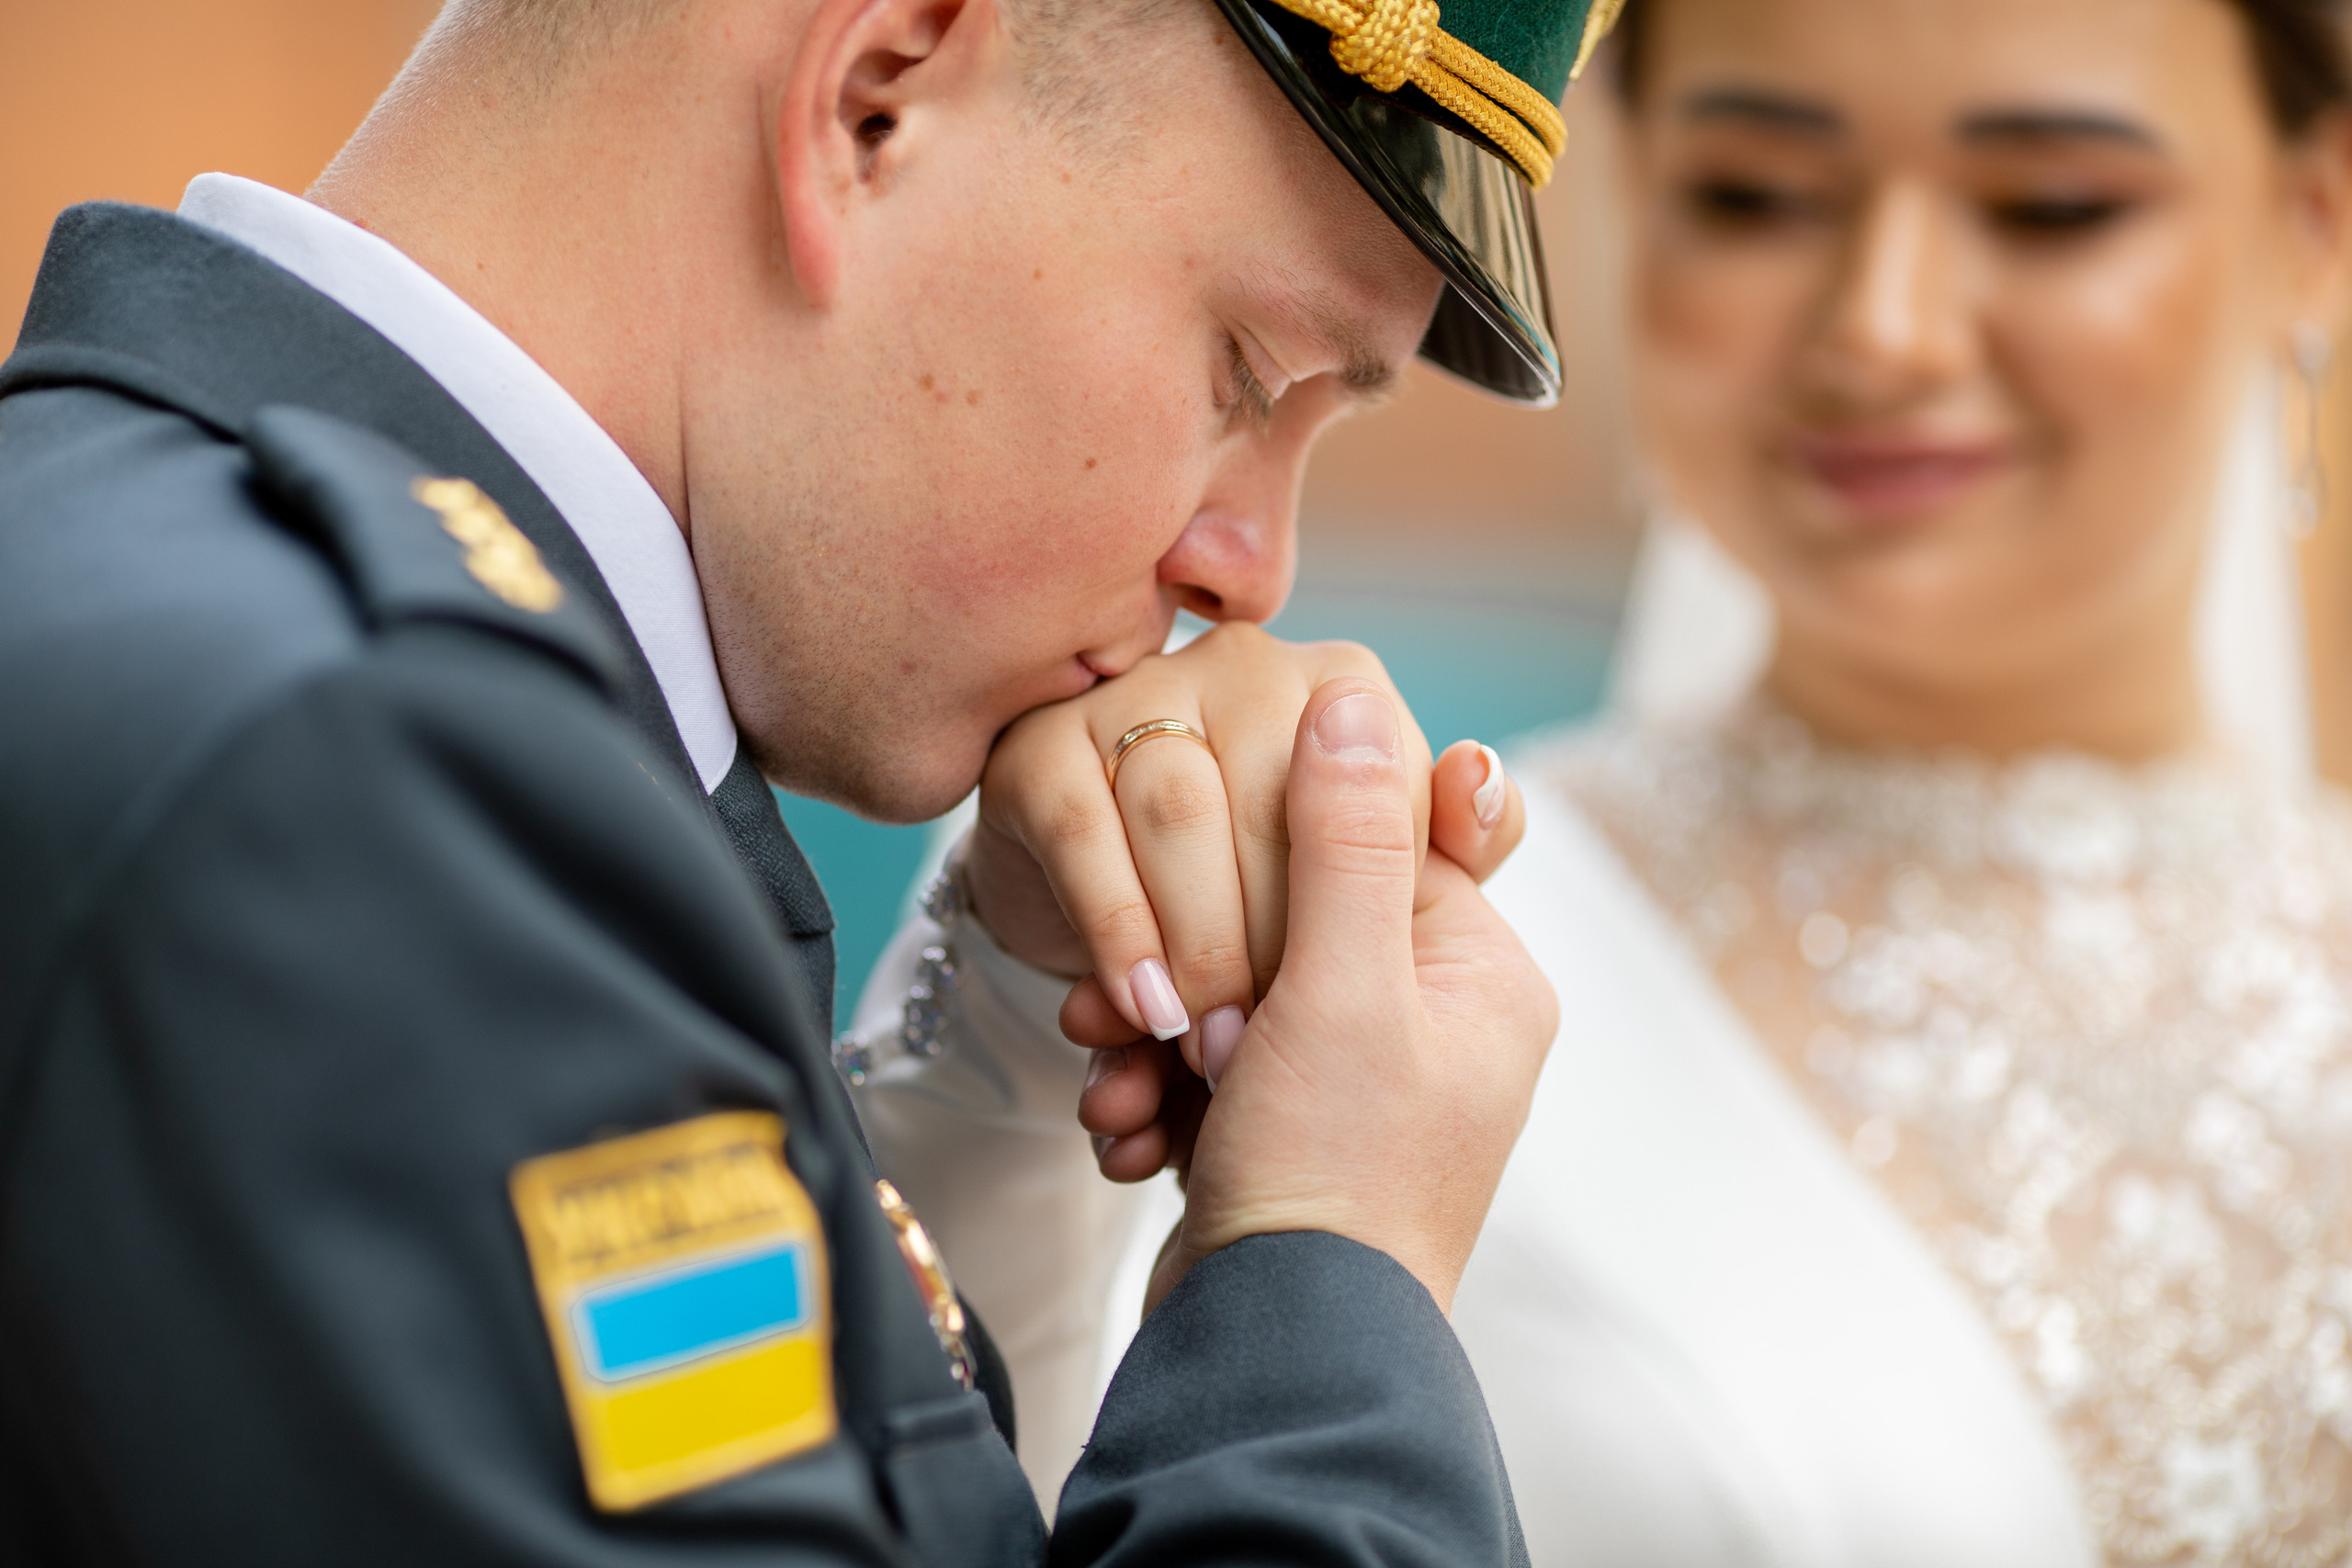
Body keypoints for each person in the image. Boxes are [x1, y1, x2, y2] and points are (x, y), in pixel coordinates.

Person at [0, 0, 1603, 1560]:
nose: (1252, 573)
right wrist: (1333, 1254)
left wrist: (1010, 1011)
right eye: (1245, 374)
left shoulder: (271, 648)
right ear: (872, 103)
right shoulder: (347, 793)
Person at [850, 0, 2352, 1560]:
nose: (1884, 325)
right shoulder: (1351, 912)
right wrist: (1035, 1002)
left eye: (2052, 208)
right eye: (1752, 195)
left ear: (2315, 222)